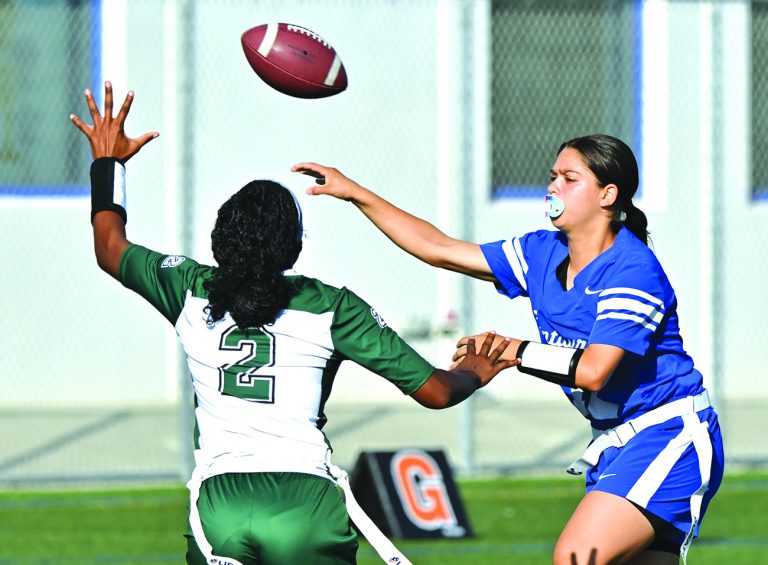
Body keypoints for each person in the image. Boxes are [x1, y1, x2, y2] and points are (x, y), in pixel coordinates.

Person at [69, 82, 517, 565]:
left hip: (221, 506)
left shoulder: (188, 288)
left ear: (222, 235)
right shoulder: (331, 306)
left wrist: (108, 163)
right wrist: (473, 371)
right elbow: (436, 392)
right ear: (295, 245)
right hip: (306, 504)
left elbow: (109, 247)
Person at [293, 134, 724, 565]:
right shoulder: (542, 252)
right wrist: (355, 193)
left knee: (576, 555)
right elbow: (439, 249)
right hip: (617, 441)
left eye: (569, 178)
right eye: (553, 176)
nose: (553, 186)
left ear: (608, 195)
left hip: (668, 434)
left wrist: (516, 351)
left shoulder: (632, 269)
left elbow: (595, 371)